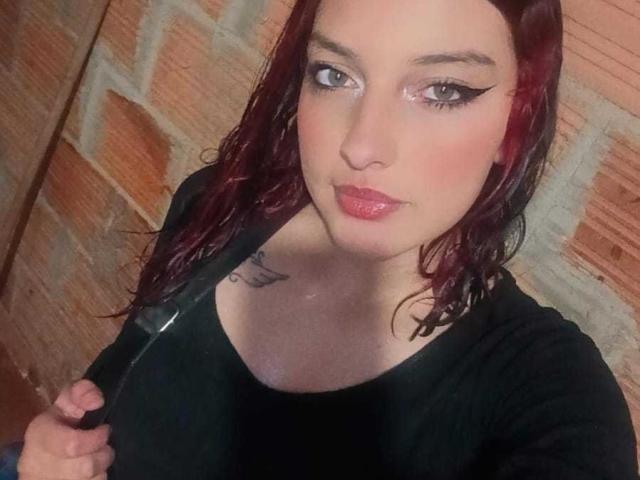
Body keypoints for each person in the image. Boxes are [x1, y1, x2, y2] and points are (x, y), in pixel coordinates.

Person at [13, 0, 638, 478]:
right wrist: (53, 451)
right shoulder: (216, 208)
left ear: (516, 120)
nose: (361, 145)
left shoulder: (546, 395)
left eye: (442, 90)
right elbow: (109, 396)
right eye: (335, 75)